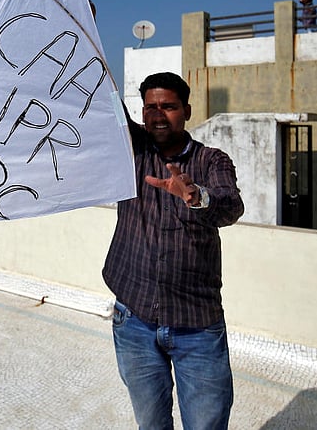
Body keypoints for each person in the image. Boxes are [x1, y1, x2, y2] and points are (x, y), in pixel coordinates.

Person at [103, 72, 245, 430]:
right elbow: (102, 94)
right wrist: (88, 31)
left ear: (187, 111)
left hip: (197, 325)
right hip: (134, 318)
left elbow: (230, 207)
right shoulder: (131, 149)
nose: (158, 115)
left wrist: (196, 195)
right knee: (151, 425)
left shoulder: (211, 161)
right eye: (150, 107)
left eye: (168, 106)